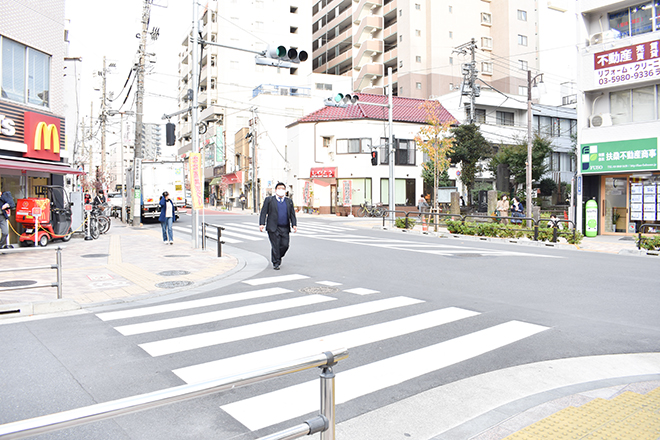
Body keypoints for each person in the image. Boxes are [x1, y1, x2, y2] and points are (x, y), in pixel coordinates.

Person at [259, 182, 297, 270]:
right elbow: (264, 212)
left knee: (285, 245)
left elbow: (292, 214)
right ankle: (276, 262)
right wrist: (262, 224)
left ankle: (278, 256)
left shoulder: (289, 201)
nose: (281, 190)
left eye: (283, 189)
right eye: (279, 188)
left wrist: (294, 224)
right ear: (275, 190)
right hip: (273, 227)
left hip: (285, 227)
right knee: (275, 245)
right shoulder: (269, 200)